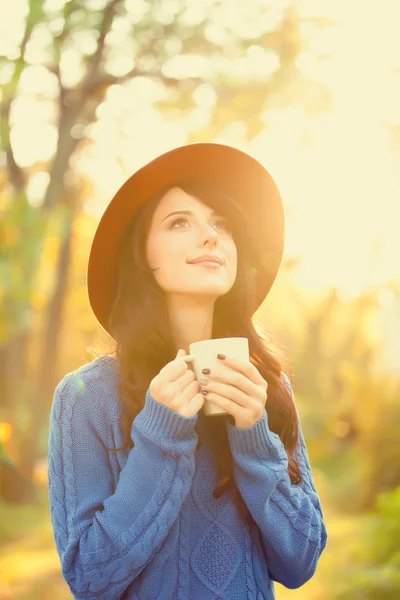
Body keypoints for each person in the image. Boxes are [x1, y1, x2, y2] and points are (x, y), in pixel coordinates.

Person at [47, 142, 328, 600]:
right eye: (180, 222)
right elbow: (89, 577)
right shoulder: (85, 397)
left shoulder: (266, 388)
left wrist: (254, 436)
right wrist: (160, 436)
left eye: (222, 224)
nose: (210, 236)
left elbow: (300, 563)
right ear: (142, 255)